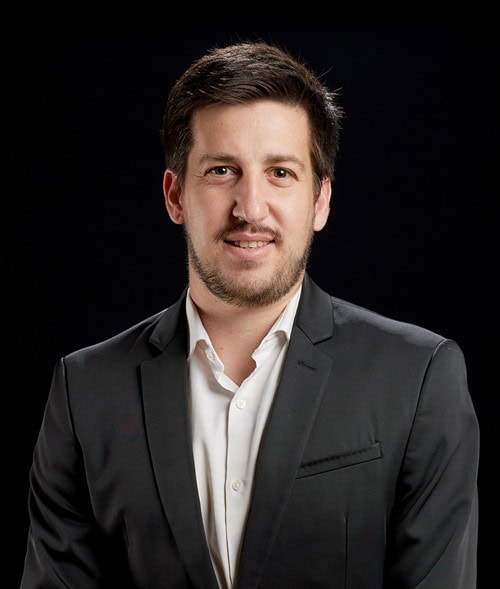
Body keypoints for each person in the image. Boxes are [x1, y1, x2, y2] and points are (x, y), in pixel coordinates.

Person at [21, 41, 479, 589]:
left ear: (320, 201)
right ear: (175, 195)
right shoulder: (85, 391)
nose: (250, 208)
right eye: (221, 170)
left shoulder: (419, 378)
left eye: (280, 172)